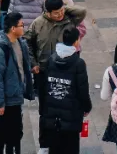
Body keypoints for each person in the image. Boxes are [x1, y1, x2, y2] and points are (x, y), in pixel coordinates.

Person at [0, 12, 35, 154]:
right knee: (1, 134)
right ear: (13, 28)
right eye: (22, 25)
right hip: (4, 100)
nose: (24, 27)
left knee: (15, 132)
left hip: (15, 95)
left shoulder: (19, 42)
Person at [39, 26, 91, 154]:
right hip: (71, 117)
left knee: (54, 149)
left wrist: (43, 110)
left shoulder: (51, 59)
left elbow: (43, 87)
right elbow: (83, 90)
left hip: (52, 117)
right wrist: (87, 107)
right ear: (76, 41)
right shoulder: (78, 63)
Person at [25, 0, 88, 79]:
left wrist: (63, 7)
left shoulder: (70, 19)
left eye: (62, 10)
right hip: (44, 68)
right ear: (48, 12)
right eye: (56, 13)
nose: (60, 14)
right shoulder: (38, 23)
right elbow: (27, 43)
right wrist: (33, 63)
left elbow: (82, 11)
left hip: (65, 67)